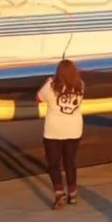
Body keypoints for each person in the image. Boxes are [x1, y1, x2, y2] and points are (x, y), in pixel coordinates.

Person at [36, 59, 85, 210]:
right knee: (70, 163)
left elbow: (38, 99)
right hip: (74, 129)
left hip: (54, 131)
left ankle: (59, 192)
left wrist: (47, 82)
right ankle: (73, 193)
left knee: (53, 165)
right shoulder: (80, 85)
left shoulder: (51, 85)